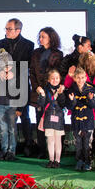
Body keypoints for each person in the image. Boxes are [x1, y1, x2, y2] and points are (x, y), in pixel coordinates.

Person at [0, 18, 34, 157]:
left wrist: (13, 72)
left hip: (19, 89)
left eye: (9, 29)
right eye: (6, 28)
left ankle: (20, 148)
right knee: (4, 125)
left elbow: (27, 66)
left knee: (19, 120)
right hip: (3, 90)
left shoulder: (28, 45)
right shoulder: (0, 43)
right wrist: (1, 70)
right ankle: (5, 149)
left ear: (18, 30)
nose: (6, 31)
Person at [30, 27, 63, 158]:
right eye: (40, 36)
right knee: (40, 122)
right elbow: (31, 72)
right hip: (38, 92)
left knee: (53, 123)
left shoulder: (58, 54)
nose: (40, 39)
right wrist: (37, 87)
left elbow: (59, 74)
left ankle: (56, 152)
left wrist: (54, 89)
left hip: (52, 94)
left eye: (43, 36)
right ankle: (42, 150)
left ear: (51, 37)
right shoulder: (35, 52)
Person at [66, 67, 95, 171]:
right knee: (78, 144)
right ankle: (79, 160)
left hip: (88, 121)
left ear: (86, 78)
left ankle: (88, 162)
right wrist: (72, 101)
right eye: (78, 78)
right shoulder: (71, 89)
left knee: (87, 144)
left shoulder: (91, 89)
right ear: (74, 78)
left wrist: (90, 99)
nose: (81, 80)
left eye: (83, 77)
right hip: (76, 121)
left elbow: (94, 105)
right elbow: (69, 107)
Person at [0, 48, 19, 161]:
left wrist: (12, 78)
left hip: (12, 104)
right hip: (1, 103)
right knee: (3, 129)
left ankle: (12, 151)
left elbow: (20, 89)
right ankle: (4, 150)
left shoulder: (16, 72)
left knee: (12, 128)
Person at [37, 69, 66, 168]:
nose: (55, 80)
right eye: (52, 78)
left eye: (57, 78)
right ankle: (51, 160)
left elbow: (63, 104)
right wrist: (42, 95)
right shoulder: (45, 90)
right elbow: (41, 104)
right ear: (48, 80)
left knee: (58, 140)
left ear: (60, 79)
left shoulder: (62, 89)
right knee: (50, 140)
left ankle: (57, 160)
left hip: (59, 118)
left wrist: (61, 93)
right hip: (48, 117)